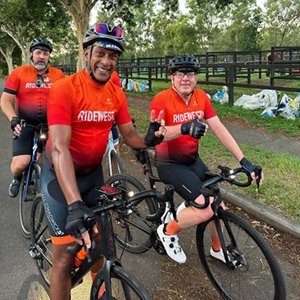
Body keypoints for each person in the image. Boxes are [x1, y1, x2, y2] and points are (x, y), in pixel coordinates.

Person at [42, 23, 164, 300]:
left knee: (101, 244)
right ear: (87, 54)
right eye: (101, 53)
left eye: (113, 57)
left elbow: (129, 134)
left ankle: (100, 292)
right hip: (60, 178)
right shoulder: (65, 89)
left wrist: (150, 139)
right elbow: (60, 149)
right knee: (63, 259)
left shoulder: (115, 92)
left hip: (92, 175)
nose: (106, 62)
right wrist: (74, 204)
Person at [149, 54, 264, 264]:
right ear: (171, 77)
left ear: (196, 77)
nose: (186, 78)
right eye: (180, 73)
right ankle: (167, 230)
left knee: (217, 203)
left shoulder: (201, 97)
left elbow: (219, 128)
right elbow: (157, 134)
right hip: (169, 163)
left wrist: (244, 161)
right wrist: (184, 128)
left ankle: (218, 248)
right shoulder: (161, 99)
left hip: (193, 160)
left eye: (191, 73)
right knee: (205, 208)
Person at [0, 37, 65, 198]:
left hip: (49, 125)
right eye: (38, 53)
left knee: (47, 161)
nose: (41, 56)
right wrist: (13, 118)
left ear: (49, 56)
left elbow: (67, 99)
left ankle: (48, 192)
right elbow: (5, 100)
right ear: (31, 55)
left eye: (45, 53)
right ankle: (17, 178)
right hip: (23, 124)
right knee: (21, 163)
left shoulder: (58, 75)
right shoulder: (19, 73)